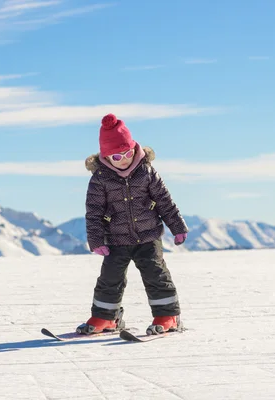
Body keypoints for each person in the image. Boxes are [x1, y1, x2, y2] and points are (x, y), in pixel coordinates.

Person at [76, 113, 189, 336]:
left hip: (148, 236)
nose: (125, 159)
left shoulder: (146, 172)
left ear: (134, 148)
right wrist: (96, 240)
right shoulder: (100, 178)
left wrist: (177, 227)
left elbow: (165, 201)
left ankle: (168, 316)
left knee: (156, 274)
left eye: (128, 153)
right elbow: (94, 212)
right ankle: (106, 317)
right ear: (107, 157)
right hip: (116, 239)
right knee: (110, 278)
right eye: (117, 157)